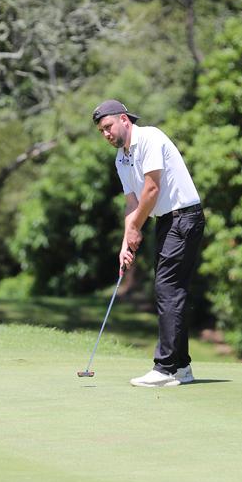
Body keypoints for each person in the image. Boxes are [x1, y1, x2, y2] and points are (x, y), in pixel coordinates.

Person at [92, 99, 206, 387]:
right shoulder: (121, 158)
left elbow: (152, 189)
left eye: (108, 127)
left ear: (124, 120)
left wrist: (137, 228)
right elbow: (132, 203)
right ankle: (181, 368)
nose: (106, 134)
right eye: (101, 131)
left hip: (184, 217)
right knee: (171, 291)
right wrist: (126, 242)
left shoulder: (150, 138)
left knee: (168, 291)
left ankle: (165, 368)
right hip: (166, 222)